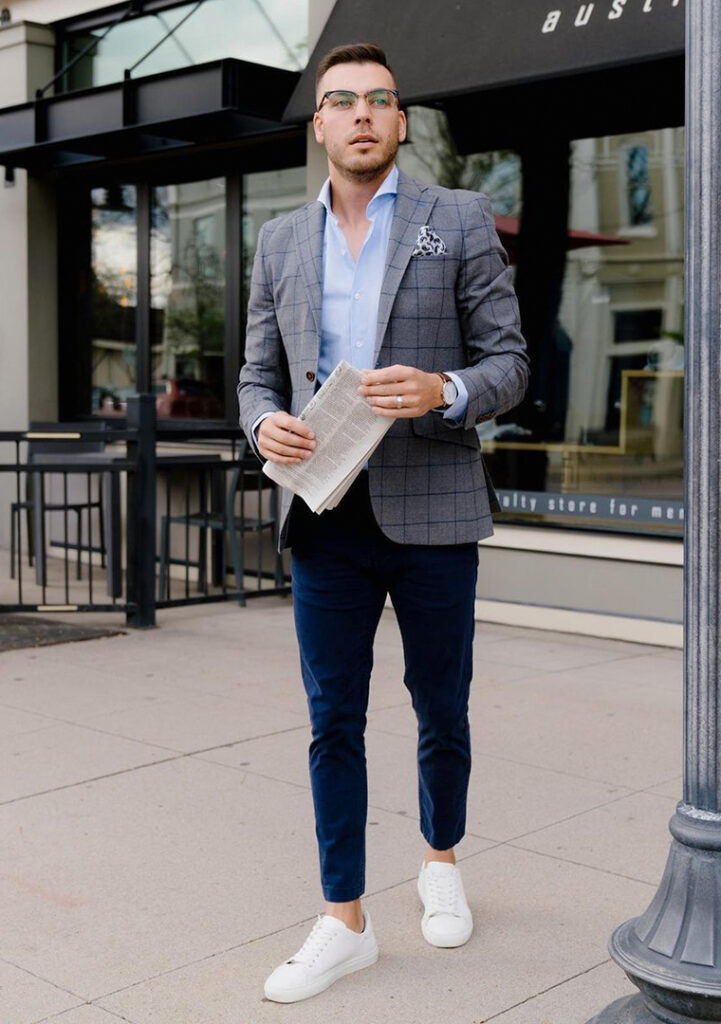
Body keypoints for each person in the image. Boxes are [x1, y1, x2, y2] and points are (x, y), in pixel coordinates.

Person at [237, 41, 529, 1004]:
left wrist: (444, 387)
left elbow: (510, 362)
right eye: (341, 101)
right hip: (324, 512)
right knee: (333, 722)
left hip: (434, 504)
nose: (361, 113)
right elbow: (255, 374)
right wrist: (259, 423)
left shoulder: (458, 219)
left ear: (400, 122)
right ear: (318, 124)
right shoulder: (279, 241)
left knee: (441, 707)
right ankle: (343, 921)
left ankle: (439, 861)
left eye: (379, 100)